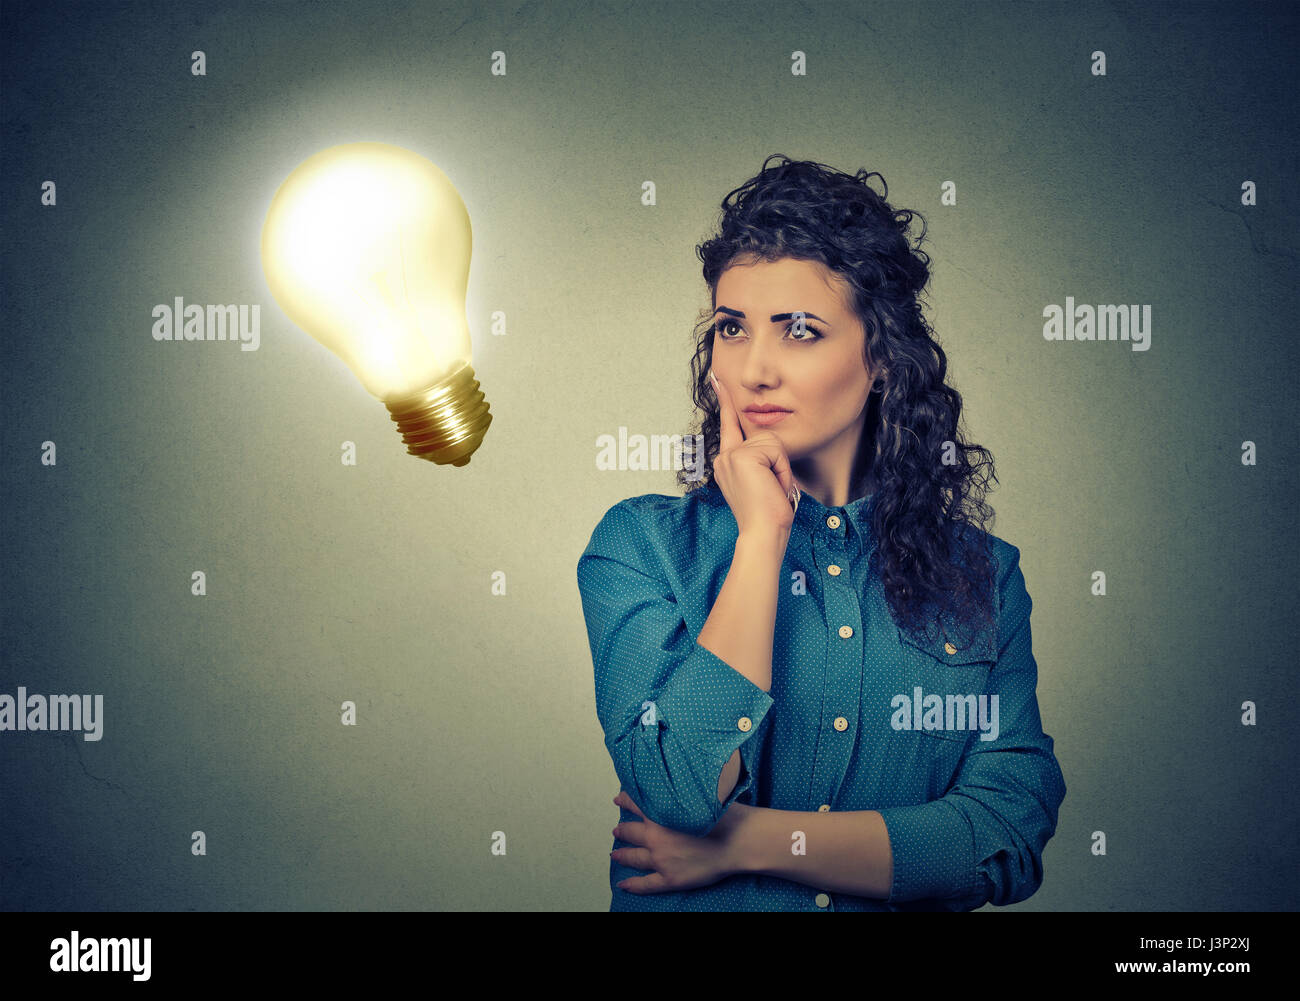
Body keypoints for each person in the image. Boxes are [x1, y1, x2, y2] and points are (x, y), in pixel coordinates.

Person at [576, 155, 1066, 911]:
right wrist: (762, 540)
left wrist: (748, 842)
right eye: (732, 328)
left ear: (881, 358)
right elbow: (676, 789)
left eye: (799, 330)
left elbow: (1003, 836)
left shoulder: (984, 575)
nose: (755, 368)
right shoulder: (639, 546)